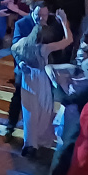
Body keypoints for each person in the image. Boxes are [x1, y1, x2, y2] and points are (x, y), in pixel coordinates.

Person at [12, 9, 72, 158]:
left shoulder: (23, 42)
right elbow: (68, 40)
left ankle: (30, 144)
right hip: (41, 78)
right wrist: (64, 22)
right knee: (44, 109)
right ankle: (41, 140)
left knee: (29, 112)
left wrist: (21, 63)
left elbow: (13, 49)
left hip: (27, 79)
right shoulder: (44, 48)